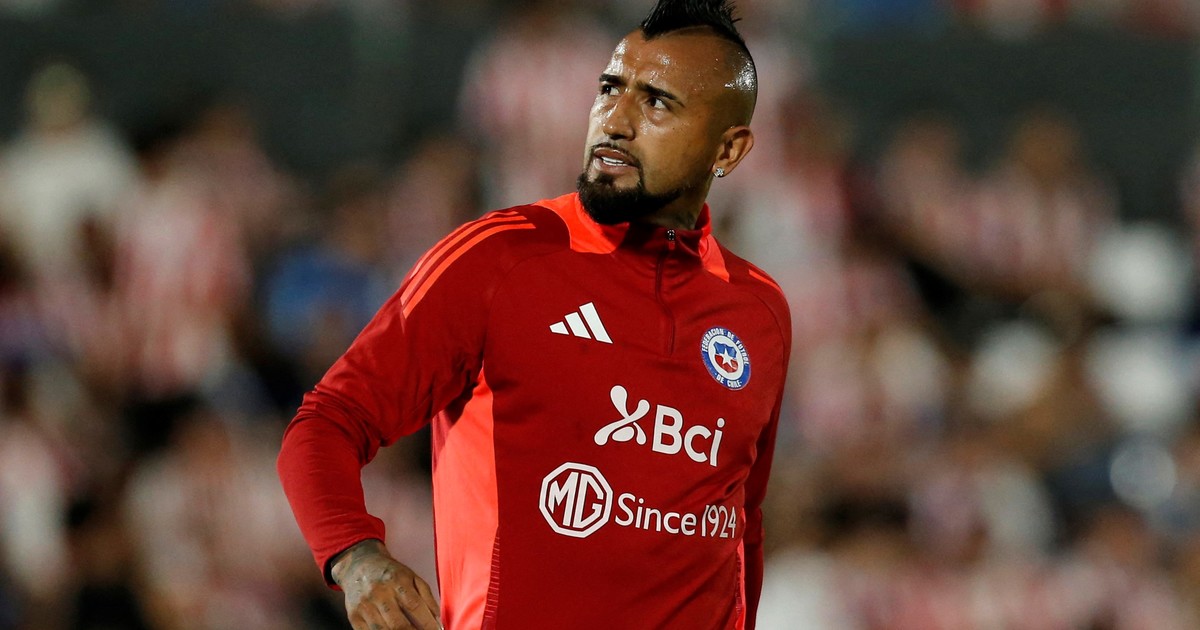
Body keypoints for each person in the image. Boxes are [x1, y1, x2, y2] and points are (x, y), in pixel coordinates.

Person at [276, 1, 792, 628]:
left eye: (657, 103)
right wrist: (358, 558)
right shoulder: (500, 259)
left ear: (728, 149)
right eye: (610, 89)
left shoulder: (759, 311)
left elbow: (742, 525)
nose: (615, 121)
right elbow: (327, 421)